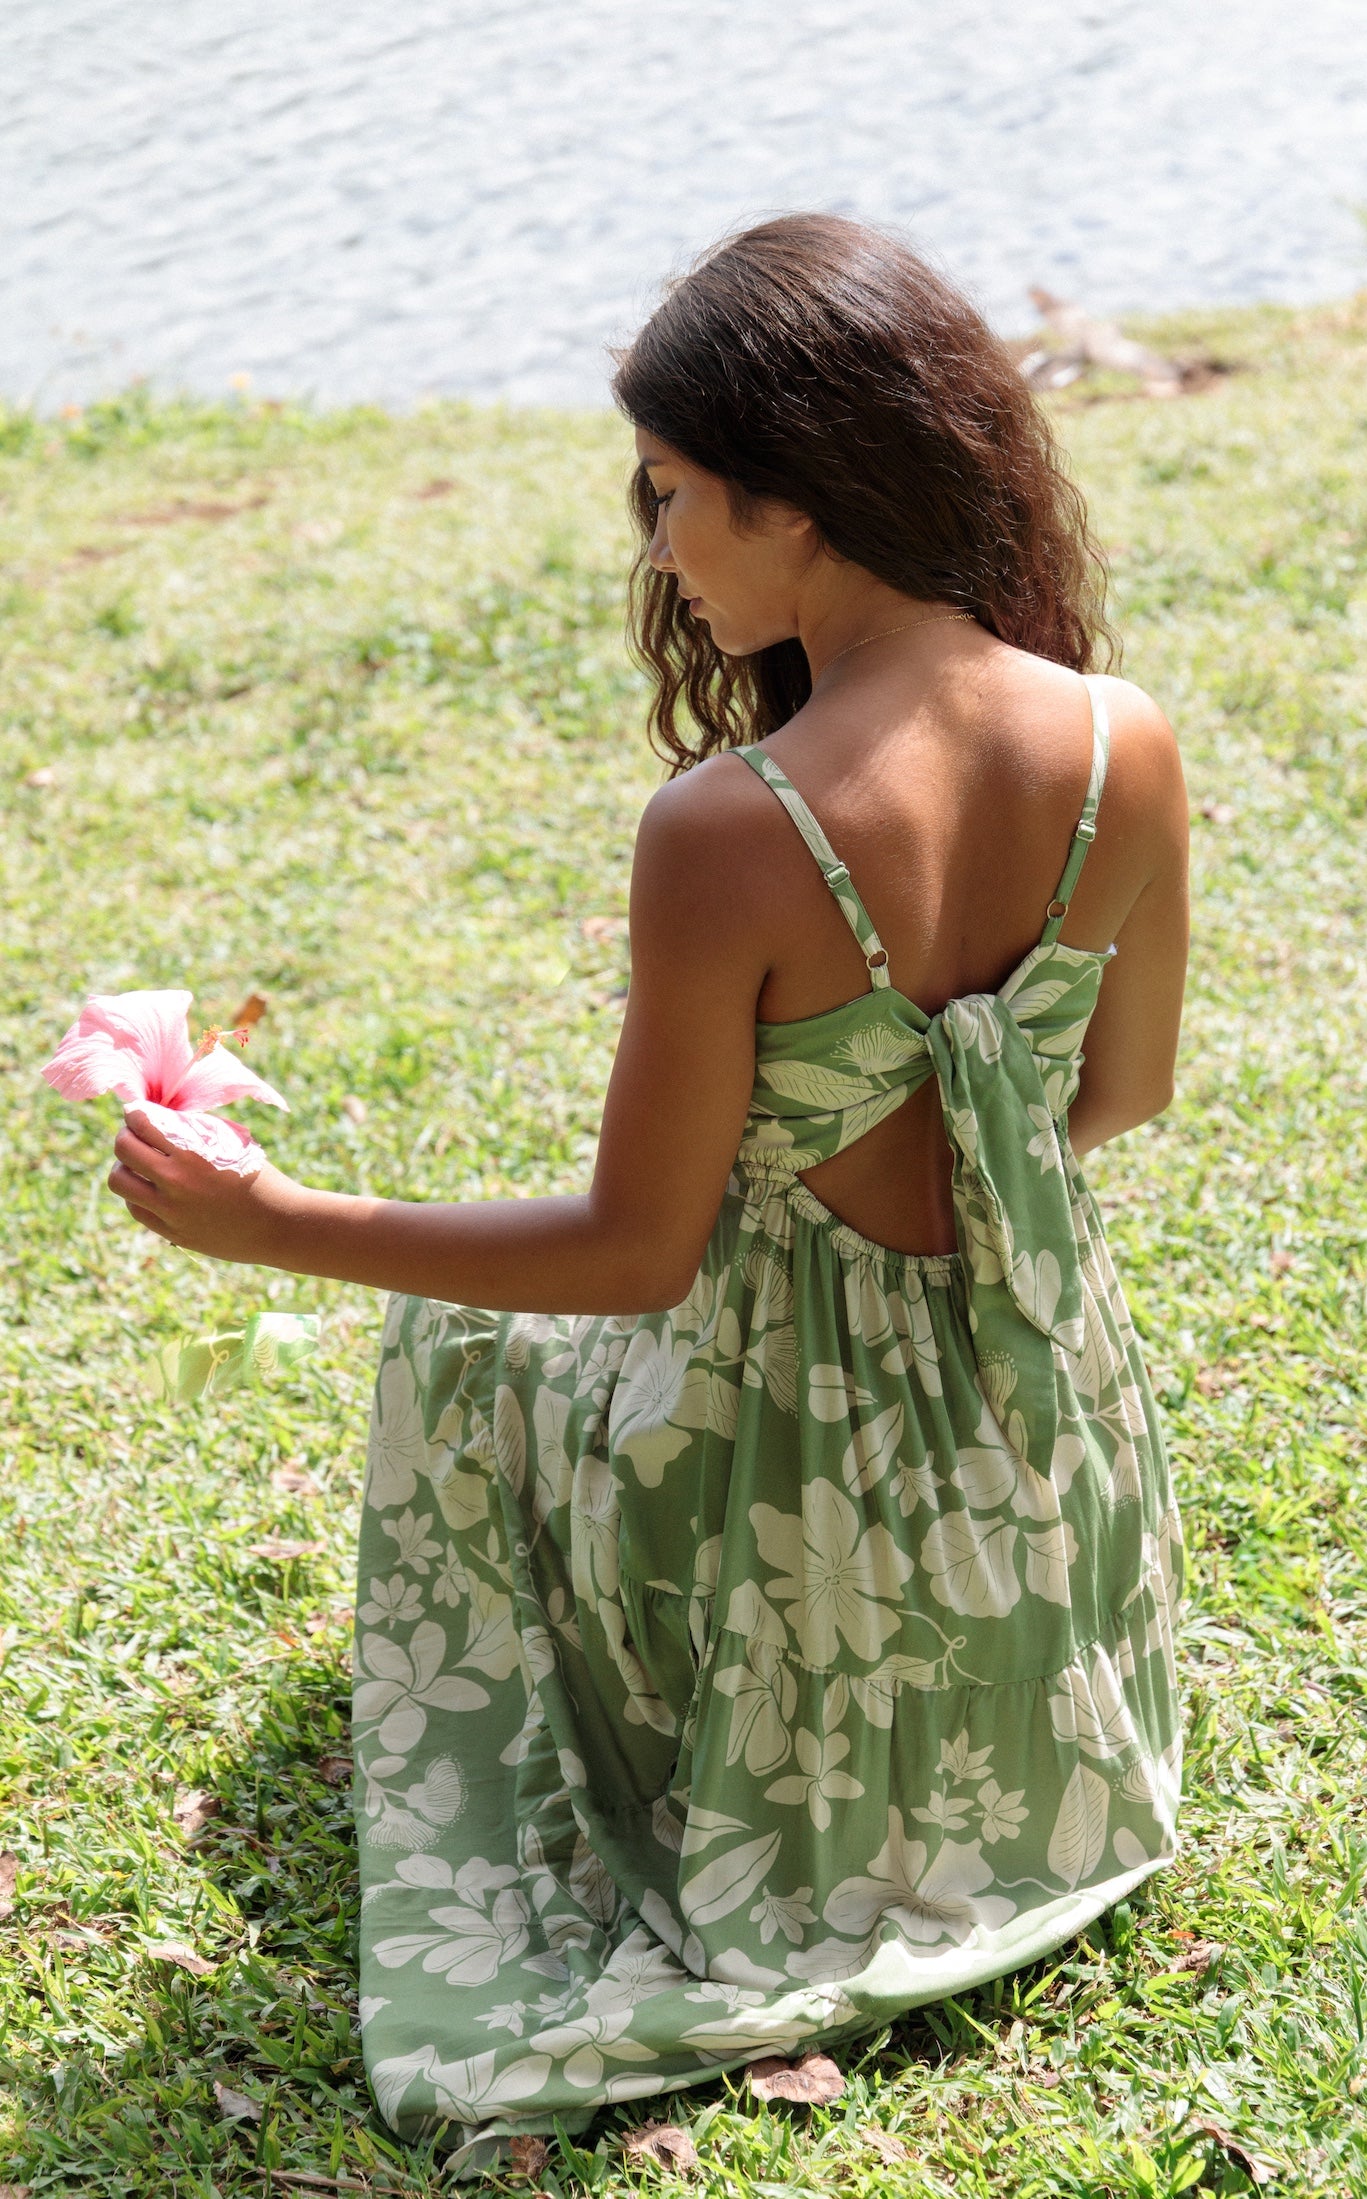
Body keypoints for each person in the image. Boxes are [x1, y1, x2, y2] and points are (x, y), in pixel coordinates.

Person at [106, 214, 1190, 2156]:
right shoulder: (1121, 742)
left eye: (670, 493)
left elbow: (627, 1249)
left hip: (797, 1545)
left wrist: (274, 1219)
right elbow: (1116, 1095)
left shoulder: (732, 828)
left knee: (464, 1324)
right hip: (1037, 1493)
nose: (658, 546)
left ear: (797, 500)